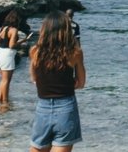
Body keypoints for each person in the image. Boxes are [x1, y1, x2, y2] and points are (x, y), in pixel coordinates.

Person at [29, 11, 86, 152]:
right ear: (67, 30)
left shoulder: (35, 51)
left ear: (44, 29)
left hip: (43, 107)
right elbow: (81, 83)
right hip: (66, 107)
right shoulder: (75, 53)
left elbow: (34, 79)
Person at [0, 10, 22, 105]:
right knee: (6, 80)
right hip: (7, 55)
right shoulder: (14, 30)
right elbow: (11, 45)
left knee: (3, 79)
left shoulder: (3, 28)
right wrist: (22, 41)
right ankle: (5, 101)